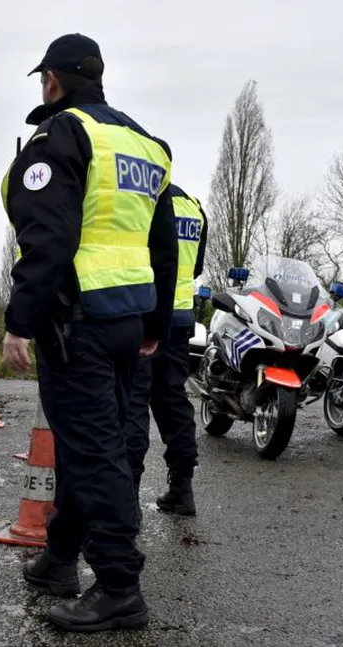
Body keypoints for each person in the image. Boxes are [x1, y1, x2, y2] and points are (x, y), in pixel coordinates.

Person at [0, 33, 176, 632]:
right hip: (129, 320)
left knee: (96, 453)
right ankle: (57, 558)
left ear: (52, 79)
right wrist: (153, 324)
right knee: (88, 446)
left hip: (76, 323)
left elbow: (47, 239)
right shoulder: (145, 145)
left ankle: (120, 587)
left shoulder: (62, 136)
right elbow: (162, 240)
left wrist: (20, 321)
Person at [124, 183, 208, 517]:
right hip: (181, 317)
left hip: (145, 315)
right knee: (174, 399)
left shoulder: (145, 200)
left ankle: (128, 498)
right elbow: (196, 266)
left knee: (134, 400)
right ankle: (182, 488)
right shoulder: (194, 207)